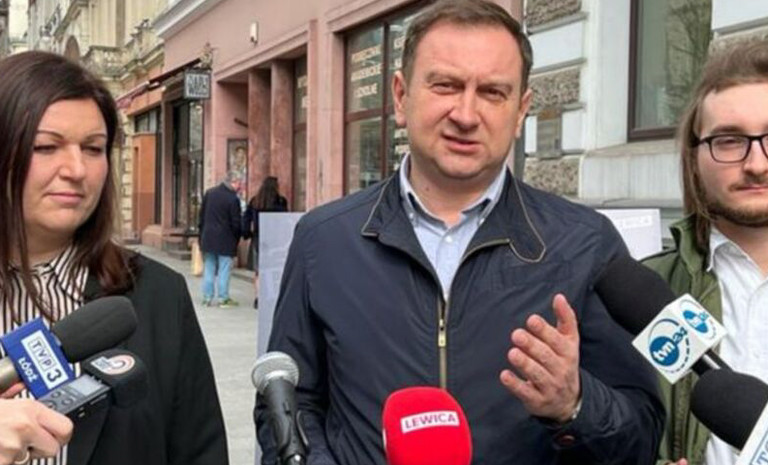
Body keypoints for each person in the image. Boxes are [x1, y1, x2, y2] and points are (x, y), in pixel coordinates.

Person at [256, 1, 665, 463]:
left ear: (520, 111)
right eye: (446, 85)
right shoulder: (324, 241)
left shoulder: (585, 244)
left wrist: (576, 405)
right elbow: (287, 402)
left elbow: (641, 436)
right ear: (400, 96)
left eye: (492, 92)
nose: (466, 114)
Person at [0, 51, 228, 465]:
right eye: (46, 146)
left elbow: (200, 452)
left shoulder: (158, 296)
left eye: (93, 148)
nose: (76, 169)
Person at [644, 41, 768, 465]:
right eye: (729, 141)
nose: (756, 164)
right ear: (694, 158)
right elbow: (613, 437)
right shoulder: (647, 295)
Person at [199, 171, 243, 308]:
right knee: (224, 269)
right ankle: (223, 298)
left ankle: (207, 297)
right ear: (232, 182)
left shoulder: (210, 193)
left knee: (209, 267)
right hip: (226, 239)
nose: (240, 186)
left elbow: (202, 216)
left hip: (208, 237)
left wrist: (201, 235)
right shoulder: (233, 199)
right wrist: (237, 238)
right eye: (238, 183)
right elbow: (236, 223)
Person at [243, 176, 288, 309]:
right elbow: (285, 220)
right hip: (276, 239)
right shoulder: (281, 201)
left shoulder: (255, 201)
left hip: (259, 238)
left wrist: (247, 234)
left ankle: (258, 297)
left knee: (259, 271)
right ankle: (272, 296)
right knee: (274, 269)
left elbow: (246, 221)